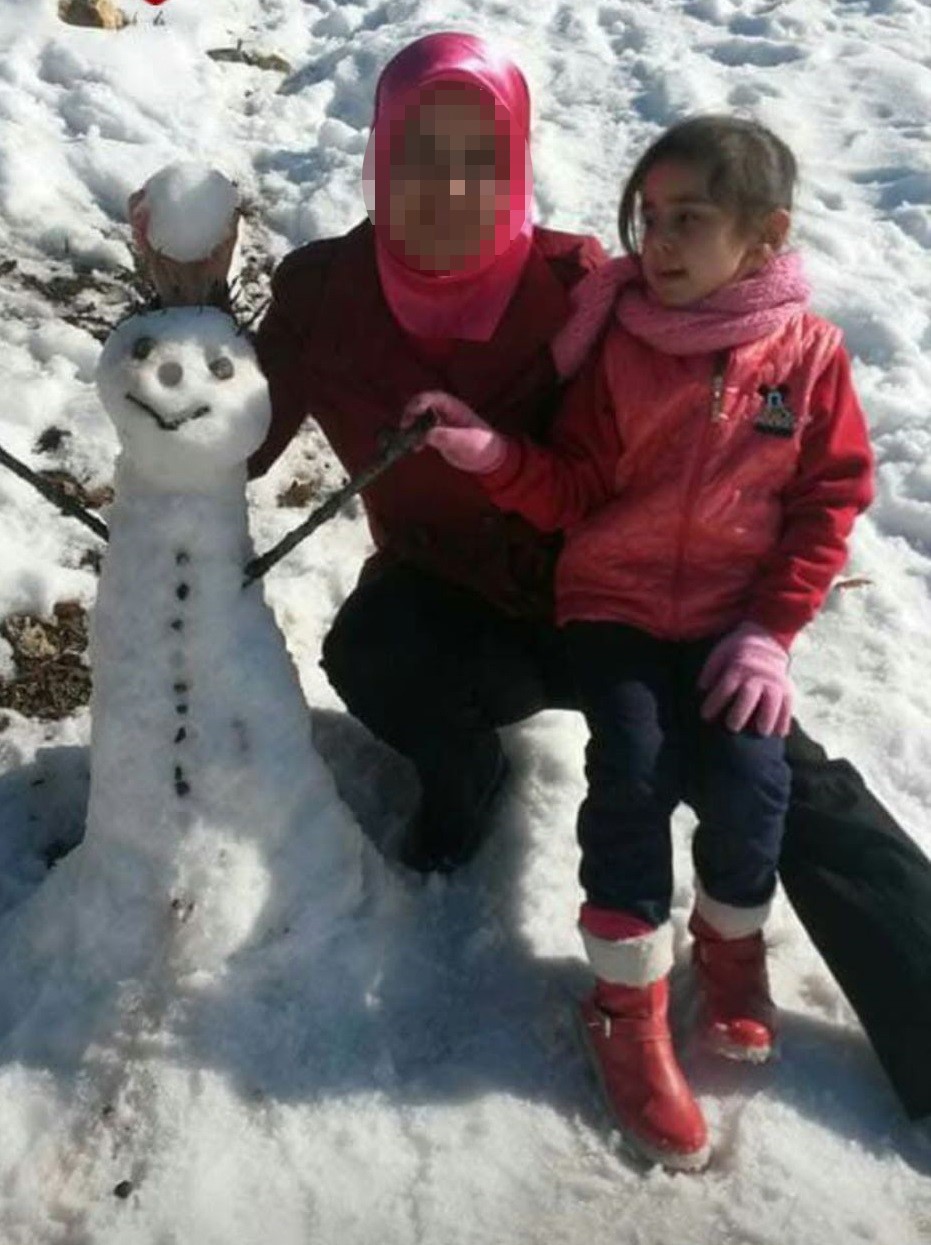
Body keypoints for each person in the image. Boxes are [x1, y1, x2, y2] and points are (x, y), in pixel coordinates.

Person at [129, 32, 931, 1128]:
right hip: (453, 604)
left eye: (480, 157)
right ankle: (465, 776)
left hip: (622, 604)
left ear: (515, 162)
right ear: (377, 155)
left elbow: (747, 394)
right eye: (419, 153)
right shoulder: (325, 293)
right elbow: (230, 448)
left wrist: (756, 618)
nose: (449, 187)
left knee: (771, 771)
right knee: (373, 651)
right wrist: (183, 321)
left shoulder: (580, 288)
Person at [403, 115, 874, 1167]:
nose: (656, 242)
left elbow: (828, 500)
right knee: (633, 774)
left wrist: (770, 631)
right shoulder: (620, 347)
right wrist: (493, 457)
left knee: (752, 779)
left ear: (765, 236)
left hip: (730, 620)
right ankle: (624, 1005)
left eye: (687, 220)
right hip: (612, 606)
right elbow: (574, 486)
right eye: (648, 217)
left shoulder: (807, 357)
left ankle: (730, 947)